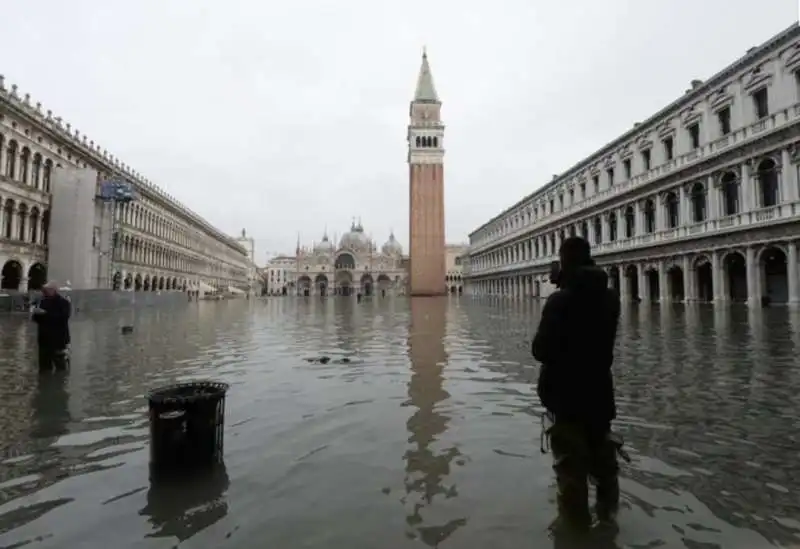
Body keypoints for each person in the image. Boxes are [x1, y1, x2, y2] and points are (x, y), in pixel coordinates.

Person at [531, 236, 621, 534]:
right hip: (599, 395)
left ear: (566, 261)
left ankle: (574, 530)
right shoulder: (610, 297)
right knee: (604, 467)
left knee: (571, 471)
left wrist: (558, 291)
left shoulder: (560, 300)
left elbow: (540, 350)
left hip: (567, 398)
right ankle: (608, 522)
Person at [31, 281, 72, 372]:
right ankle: (45, 383)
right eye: (43, 290)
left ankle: (58, 383)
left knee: (60, 367)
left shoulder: (63, 302)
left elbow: (64, 318)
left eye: (46, 290)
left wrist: (45, 314)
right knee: (44, 367)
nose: (44, 292)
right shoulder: (43, 302)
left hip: (59, 340)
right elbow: (36, 319)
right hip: (44, 340)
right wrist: (36, 314)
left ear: (54, 290)